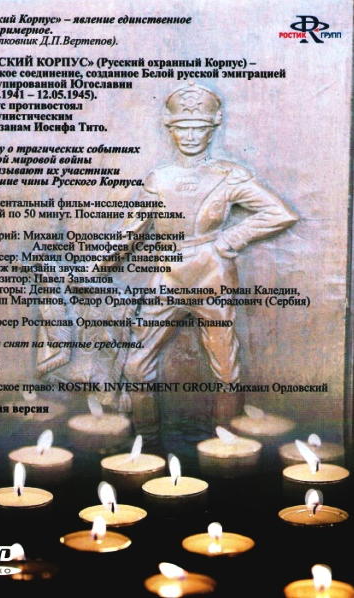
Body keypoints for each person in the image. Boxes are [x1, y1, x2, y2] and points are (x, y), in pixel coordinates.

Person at [112, 82, 299, 440]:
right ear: (170, 129)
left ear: (212, 129)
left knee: (225, 367)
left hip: (212, 275)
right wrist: (95, 267)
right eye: (183, 128)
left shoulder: (228, 175)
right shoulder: (160, 178)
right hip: (168, 277)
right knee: (136, 365)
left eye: (199, 128)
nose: (191, 136)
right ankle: (145, 443)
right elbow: (131, 231)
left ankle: (228, 445)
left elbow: (279, 213)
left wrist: (230, 239)